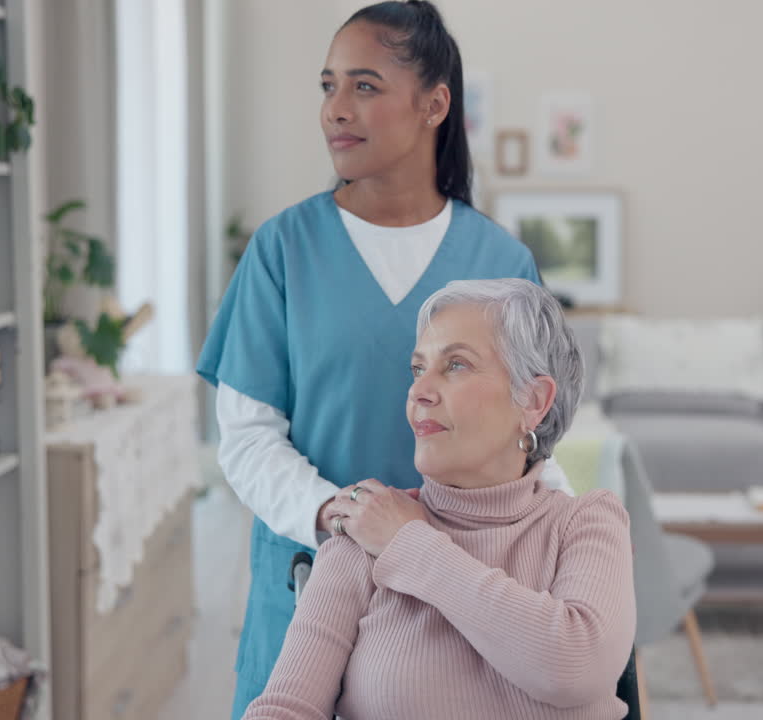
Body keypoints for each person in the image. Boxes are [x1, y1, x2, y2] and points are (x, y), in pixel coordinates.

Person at [195, 2, 574, 716]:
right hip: (306, 587)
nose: (336, 109)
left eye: (364, 86)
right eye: (328, 86)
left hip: (454, 608)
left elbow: (530, 439)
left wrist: (575, 544)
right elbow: (246, 438)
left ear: (434, 104)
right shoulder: (283, 250)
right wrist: (337, 514)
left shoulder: (502, 262)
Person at [243, 279, 637, 720]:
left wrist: (412, 545)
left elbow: (573, 667)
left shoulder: (587, 524)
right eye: (417, 369)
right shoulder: (362, 542)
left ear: (533, 400)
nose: (419, 392)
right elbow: (284, 709)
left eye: (456, 365)